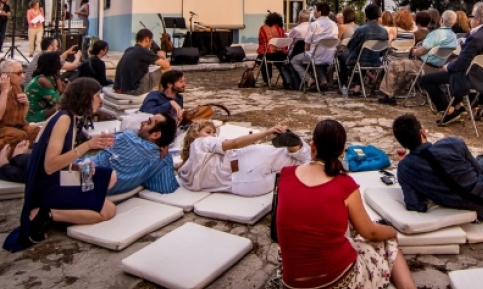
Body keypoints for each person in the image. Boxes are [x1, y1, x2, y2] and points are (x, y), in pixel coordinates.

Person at [274, 119, 415, 289]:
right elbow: (370, 232)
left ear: (312, 146)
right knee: (387, 243)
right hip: (338, 282)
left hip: (291, 283)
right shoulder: (344, 185)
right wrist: (391, 232)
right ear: (341, 151)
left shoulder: (286, 175)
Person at [3, 78, 117, 251]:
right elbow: (50, 166)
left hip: (58, 176)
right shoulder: (63, 120)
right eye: (97, 96)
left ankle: (77, 202)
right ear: (85, 98)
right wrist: (87, 146)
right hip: (49, 185)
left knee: (110, 176)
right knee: (108, 210)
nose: (100, 100)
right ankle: (47, 214)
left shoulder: (70, 117)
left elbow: (59, 159)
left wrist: (77, 167)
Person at [393, 114, 483, 225]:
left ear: (403, 145)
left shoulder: (404, 168)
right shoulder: (452, 143)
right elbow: (479, 170)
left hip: (478, 212)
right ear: (423, 133)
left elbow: (415, 205)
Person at [419, 2, 483, 126]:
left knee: (427, 79)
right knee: (452, 71)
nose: (469, 19)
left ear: (478, 19)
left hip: (470, 78)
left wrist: (447, 66)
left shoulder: (476, 38)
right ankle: (458, 106)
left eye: (471, 16)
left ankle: (449, 111)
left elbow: (460, 65)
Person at [177, 122, 309, 196]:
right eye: (208, 132)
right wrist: (267, 132)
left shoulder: (186, 173)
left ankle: (296, 149)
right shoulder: (200, 142)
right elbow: (235, 143)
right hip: (247, 163)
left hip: (248, 187)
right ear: (195, 135)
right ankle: (297, 147)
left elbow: (182, 165)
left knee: (289, 174)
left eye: (214, 133)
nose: (212, 136)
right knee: (293, 158)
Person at [377, 10, 459, 104]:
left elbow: (421, 51)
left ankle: (388, 96)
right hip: (440, 68)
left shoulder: (436, 34)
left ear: (442, 20)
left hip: (424, 66)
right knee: (406, 71)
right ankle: (392, 94)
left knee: (393, 65)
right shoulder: (453, 36)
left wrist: (414, 51)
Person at [89, 113, 179, 195]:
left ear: (155, 135)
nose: (142, 122)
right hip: (105, 189)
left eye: (148, 122)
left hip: (85, 177)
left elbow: (102, 141)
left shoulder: (128, 137)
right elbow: (167, 187)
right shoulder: (162, 160)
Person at [290, 3, 339, 91]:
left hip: (316, 56)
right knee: (317, 57)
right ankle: (323, 81)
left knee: (295, 60)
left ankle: (309, 79)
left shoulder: (314, 24)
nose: (314, 12)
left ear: (319, 12)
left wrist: (307, 52)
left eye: (315, 10)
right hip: (330, 57)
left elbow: (307, 45)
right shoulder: (334, 25)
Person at [344, 4, 391, 95]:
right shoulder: (384, 31)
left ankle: (349, 85)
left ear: (366, 15)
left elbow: (351, 46)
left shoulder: (360, 30)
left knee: (354, 56)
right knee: (363, 56)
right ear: (378, 15)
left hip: (359, 61)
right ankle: (357, 87)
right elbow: (383, 51)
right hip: (376, 61)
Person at [113, 29, 171, 95]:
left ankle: (160, 94)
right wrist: (163, 57)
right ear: (147, 39)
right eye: (151, 41)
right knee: (167, 69)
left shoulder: (129, 50)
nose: (151, 44)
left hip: (119, 88)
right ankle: (162, 96)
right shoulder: (144, 51)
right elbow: (167, 65)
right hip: (135, 90)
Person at [25, 52, 65, 124]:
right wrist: (68, 91)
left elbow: (59, 91)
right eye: (58, 60)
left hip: (43, 110)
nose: (61, 63)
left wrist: (57, 77)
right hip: (33, 115)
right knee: (62, 106)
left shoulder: (49, 77)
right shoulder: (42, 80)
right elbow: (58, 101)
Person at [258, 12, 288, 87]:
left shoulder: (263, 28)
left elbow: (260, 41)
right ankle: (286, 79)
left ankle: (267, 80)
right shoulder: (281, 29)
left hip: (268, 54)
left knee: (260, 59)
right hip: (281, 55)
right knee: (279, 63)